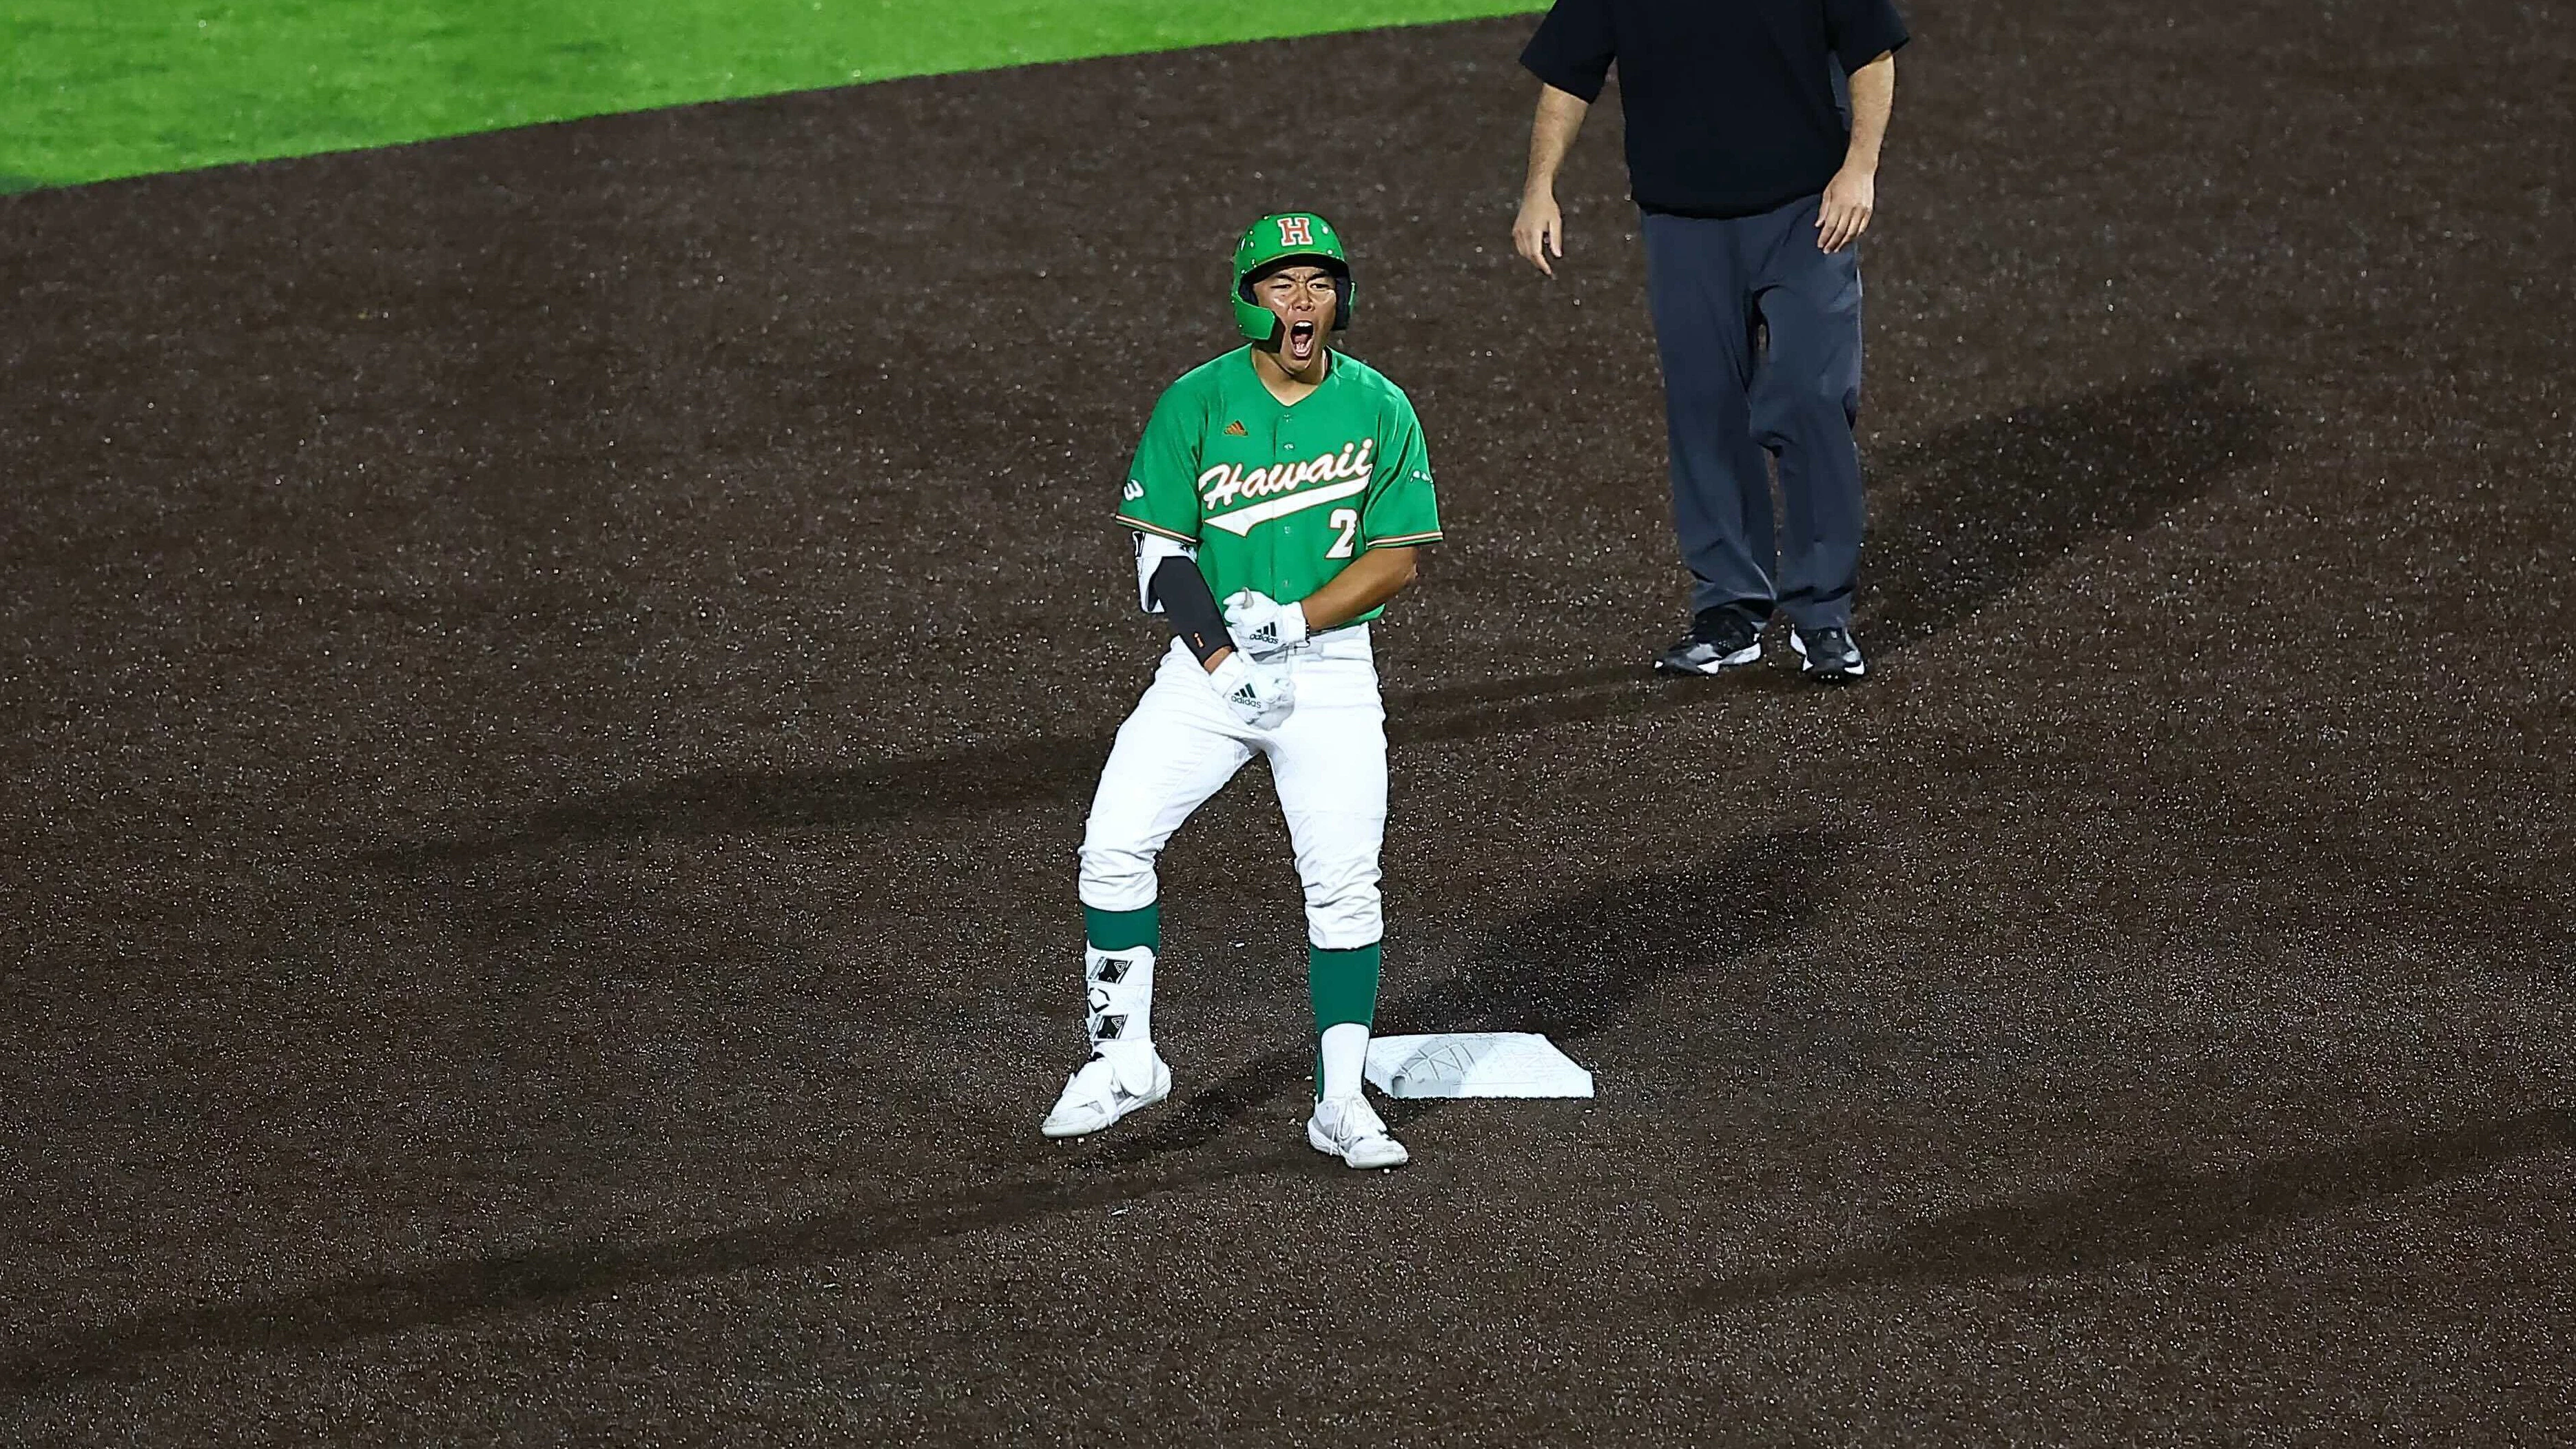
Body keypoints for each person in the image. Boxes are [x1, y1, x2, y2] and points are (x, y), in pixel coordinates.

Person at [1042, 212, 1444, 1170]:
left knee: (1343, 893)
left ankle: (1336, 1103)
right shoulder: (1194, 400)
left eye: (1317, 284)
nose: (1302, 303)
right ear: (1248, 298)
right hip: (1205, 668)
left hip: (1332, 672)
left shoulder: (1380, 406)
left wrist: (1295, 621)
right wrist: (1225, 658)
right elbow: (1161, 555)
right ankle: (1123, 1057)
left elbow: (1397, 561)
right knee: (1110, 847)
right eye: (1280, 285)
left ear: (1341, 296)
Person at [1512, 0, 1908, 683]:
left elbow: (1871, 51)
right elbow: (1568, 72)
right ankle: (1729, 610)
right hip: (1682, 223)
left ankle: (1821, 614)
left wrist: (1860, 167)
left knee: (1811, 398)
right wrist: (1538, 187)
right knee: (1707, 410)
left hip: (1804, 214)